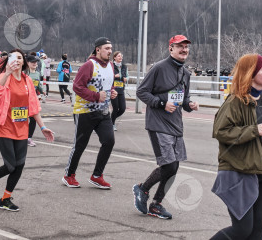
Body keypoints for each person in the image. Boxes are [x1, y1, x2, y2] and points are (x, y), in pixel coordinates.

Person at [211, 54, 262, 240]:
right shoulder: (234, 101)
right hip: (238, 172)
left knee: (257, 231)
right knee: (241, 230)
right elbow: (220, 131)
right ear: (250, 74)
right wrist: (252, 130)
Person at [133, 36, 199, 220]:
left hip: (176, 125)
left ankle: (156, 203)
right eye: (180, 47)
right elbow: (141, 91)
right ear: (171, 49)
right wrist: (161, 104)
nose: (184, 50)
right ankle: (143, 189)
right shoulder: (159, 68)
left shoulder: (185, 73)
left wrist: (190, 104)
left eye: (186, 47)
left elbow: (182, 100)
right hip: (158, 123)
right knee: (168, 164)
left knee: (174, 167)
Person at [0, 48, 55, 211]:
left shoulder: (27, 80)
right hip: (4, 126)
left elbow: (33, 106)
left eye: (20, 57)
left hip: (22, 127)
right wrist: (7, 73)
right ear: (9, 61)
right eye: (14, 57)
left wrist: (43, 127)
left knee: (19, 165)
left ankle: (5, 198)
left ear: (24, 62)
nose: (17, 60)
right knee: (10, 166)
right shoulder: (3, 77)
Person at [63, 37, 117, 189]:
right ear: (98, 49)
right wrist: (95, 96)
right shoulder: (89, 65)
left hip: (103, 111)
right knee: (80, 145)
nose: (110, 51)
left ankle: (97, 176)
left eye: (111, 48)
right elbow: (77, 87)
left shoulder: (111, 66)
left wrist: (111, 92)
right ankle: (69, 175)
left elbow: (108, 84)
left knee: (109, 141)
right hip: (85, 111)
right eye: (107, 48)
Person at [111, 51, 128, 131]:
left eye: (121, 56)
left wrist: (126, 79)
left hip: (121, 89)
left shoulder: (124, 67)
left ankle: (110, 120)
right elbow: (108, 76)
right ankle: (112, 123)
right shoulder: (111, 66)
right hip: (113, 90)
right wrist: (114, 76)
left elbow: (127, 76)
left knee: (122, 109)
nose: (120, 57)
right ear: (114, 57)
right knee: (115, 108)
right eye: (118, 56)